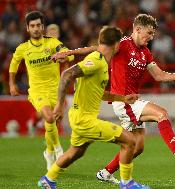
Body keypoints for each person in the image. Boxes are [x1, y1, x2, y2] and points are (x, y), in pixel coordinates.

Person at [51, 14, 175, 184]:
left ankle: (106, 173)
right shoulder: (122, 44)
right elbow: (97, 48)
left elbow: (158, 75)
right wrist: (69, 53)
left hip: (131, 101)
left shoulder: (145, 52)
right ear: (137, 29)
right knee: (161, 114)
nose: (151, 38)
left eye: (152, 34)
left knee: (137, 147)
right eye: (149, 33)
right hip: (123, 101)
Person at [38, 26, 149, 189]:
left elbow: (100, 93)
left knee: (76, 151)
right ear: (117, 45)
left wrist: (124, 98)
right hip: (84, 120)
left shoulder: (100, 62)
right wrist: (59, 106)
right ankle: (127, 183)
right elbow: (66, 74)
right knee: (130, 140)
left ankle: (48, 179)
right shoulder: (96, 61)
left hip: (80, 117)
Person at [9, 11, 74, 170]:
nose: (36, 28)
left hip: (56, 90)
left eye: (38, 25)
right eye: (32, 26)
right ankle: (58, 150)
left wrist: (64, 56)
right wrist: (12, 83)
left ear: (43, 27)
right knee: (49, 117)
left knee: (52, 122)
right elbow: (13, 64)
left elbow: (69, 54)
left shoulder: (52, 43)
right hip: (37, 91)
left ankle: (49, 151)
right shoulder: (23, 48)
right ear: (27, 28)